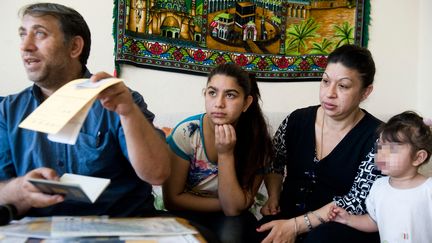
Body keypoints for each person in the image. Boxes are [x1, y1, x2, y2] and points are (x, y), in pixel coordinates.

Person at [0, 3, 170, 217]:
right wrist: (19, 189)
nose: (25, 46)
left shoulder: (120, 100)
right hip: (41, 231)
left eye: (40, 34)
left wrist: (128, 113)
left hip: (120, 227)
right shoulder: (7, 110)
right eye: (22, 35)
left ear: (74, 47)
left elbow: (158, 174)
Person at [256, 44, 383, 243]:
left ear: (365, 92)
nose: (329, 93)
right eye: (325, 81)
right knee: (258, 233)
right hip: (288, 215)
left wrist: (296, 226)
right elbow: (275, 162)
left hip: (342, 226)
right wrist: (273, 196)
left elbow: (356, 201)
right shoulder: (296, 120)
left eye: (343, 86)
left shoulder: (380, 138)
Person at [162, 63, 274, 242]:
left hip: (230, 217)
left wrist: (225, 154)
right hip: (185, 213)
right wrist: (229, 203)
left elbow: (233, 211)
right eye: (212, 93)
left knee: (232, 236)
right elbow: (172, 200)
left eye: (230, 95)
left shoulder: (257, 142)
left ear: (246, 103)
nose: (219, 103)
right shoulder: (187, 133)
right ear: (204, 94)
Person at [328, 111, 432, 243]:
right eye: (380, 146)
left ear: (418, 157)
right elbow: (374, 221)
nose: (381, 154)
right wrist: (348, 219)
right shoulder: (378, 186)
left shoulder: (428, 190)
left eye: (392, 149)